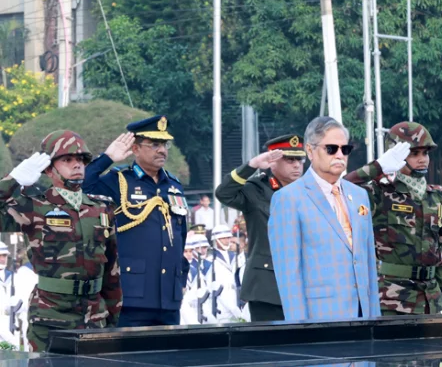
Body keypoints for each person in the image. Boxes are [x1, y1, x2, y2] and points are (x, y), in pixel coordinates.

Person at [0, 131, 121, 351]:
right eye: (67, 160)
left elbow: (111, 269)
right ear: (49, 169)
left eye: (81, 160)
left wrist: (111, 318)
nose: (77, 165)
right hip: (51, 316)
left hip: (95, 315)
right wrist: (13, 180)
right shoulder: (33, 206)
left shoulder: (101, 207)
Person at [268, 117, 381, 323]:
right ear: (310, 151)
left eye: (344, 150)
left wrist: (375, 319)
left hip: (364, 318)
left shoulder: (359, 195)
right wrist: (301, 330)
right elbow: (289, 276)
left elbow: (368, 264)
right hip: (320, 319)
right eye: (331, 149)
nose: (339, 155)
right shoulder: (288, 199)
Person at [83, 116, 189, 327]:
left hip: (169, 297)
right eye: (155, 144)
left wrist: (181, 277)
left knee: (170, 358)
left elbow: (181, 237)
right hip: (131, 297)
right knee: (131, 359)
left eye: (165, 144)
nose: (162, 150)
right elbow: (82, 185)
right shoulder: (119, 180)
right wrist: (107, 158)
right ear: (136, 149)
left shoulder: (174, 186)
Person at [346, 122, 442, 316]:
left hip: (430, 301)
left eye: (425, 153)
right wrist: (377, 167)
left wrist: (437, 286)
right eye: (414, 154)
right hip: (392, 301)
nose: (422, 159)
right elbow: (341, 189)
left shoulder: (439, 197)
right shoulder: (380, 193)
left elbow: (439, 245)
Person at [215, 133, 305, 322]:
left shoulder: (309, 191)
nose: (297, 165)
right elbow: (224, 193)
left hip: (305, 283)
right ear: (272, 161)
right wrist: (252, 165)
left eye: (299, 159)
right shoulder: (256, 189)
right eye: (289, 159)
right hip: (267, 287)